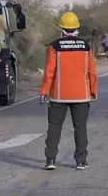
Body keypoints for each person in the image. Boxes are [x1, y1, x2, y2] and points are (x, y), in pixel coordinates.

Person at [39, 11, 98, 171]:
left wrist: (44, 92)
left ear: (62, 28)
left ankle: (50, 160)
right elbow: (92, 71)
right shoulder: (86, 46)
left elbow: (49, 72)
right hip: (81, 95)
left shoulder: (54, 46)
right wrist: (93, 90)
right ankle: (81, 161)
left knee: (54, 127)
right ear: (77, 28)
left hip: (58, 96)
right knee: (80, 127)